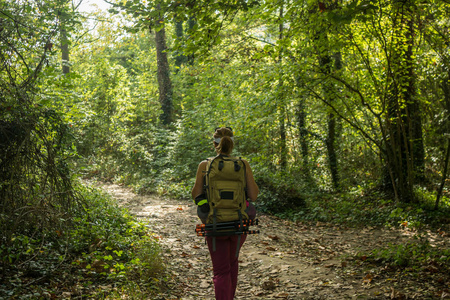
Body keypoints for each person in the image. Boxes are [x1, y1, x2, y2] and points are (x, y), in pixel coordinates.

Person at [191, 127, 259, 300]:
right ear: (232, 143)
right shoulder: (243, 164)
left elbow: (196, 195)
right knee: (232, 265)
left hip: (215, 223)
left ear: (214, 144)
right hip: (238, 223)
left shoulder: (205, 165)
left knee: (221, 271)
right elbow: (253, 195)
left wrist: (208, 205)